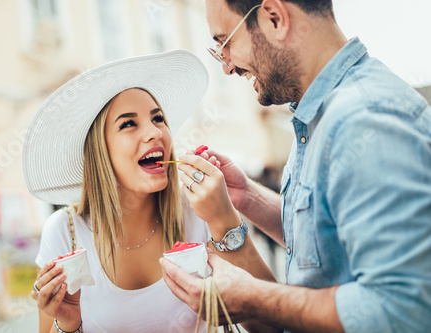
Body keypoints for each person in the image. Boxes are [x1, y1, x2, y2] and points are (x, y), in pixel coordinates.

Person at [160, 1, 431, 332]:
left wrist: (256, 299)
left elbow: (402, 309)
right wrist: (248, 196)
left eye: (225, 42)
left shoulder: (364, 120)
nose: (227, 67)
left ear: (275, 18)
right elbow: (327, 239)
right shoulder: (321, 115)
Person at [24, 50, 277, 333]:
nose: (155, 132)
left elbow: (272, 326)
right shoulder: (64, 233)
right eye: (129, 123)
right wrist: (68, 325)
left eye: (158, 119)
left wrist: (224, 219)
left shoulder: (200, 210)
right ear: (100, 151)